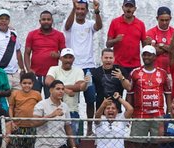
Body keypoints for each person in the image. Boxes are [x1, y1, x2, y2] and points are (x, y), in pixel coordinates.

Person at [127, 45, 171, 148]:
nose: (146, 57)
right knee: (136, 143)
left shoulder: (162, 73)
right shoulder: (135, 73)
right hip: (139, 115)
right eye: (144, 54)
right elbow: (130, 93)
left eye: (149, 54)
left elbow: (167, 93)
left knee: (156, 144)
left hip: (158, 114)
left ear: (155, 57)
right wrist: (128, 114)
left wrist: (169, 113)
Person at [64, 0, 102, 134]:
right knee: (71, 99)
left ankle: (90, 129)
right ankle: (70, 129)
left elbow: (99, 26)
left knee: (90, 99)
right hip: (73, 68)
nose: (80, 11)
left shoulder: (90, 24)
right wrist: (73, 8)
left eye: (82, 9)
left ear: (86, 11)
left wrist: (96, 10)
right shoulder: (69, 23)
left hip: (88, 68)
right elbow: (67, 26)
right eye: (78, 9)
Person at [32, 80, 78, 148]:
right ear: (51, 90)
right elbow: (34, 123)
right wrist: (51, 115)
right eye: (58, 89)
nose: (61, 91)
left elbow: (68, 127)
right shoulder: (41, 105)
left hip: (61, 146)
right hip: (44, 146)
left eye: (62, 89)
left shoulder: (65, 106)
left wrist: (73, 147)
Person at [45, 48, 86, 135]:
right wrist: (66, 90)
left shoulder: (78, 70)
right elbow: (48, 81)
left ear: (73, 59)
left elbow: (80, 86)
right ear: (60, 59)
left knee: (73, 141)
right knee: (55, 139)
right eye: (65, 57)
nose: (68, 60)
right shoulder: (54, 69)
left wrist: (59, 87)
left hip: (72, 111)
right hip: (55, 110)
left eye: (70, 57)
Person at [8, 72, 42, 148]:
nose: (27, 85)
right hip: (18, 126)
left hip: (32, 127)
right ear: (20, 83)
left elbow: (41, 108)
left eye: (29, 83)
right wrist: (12, 121)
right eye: (24, 83)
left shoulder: (37, 94)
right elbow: (11, 107)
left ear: (33, 84)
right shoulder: (15, 94)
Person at [24, 11, 66, 98]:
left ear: (52, 21)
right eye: (43, 19)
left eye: (48, 19)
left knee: (51, 101)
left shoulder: (59, 35)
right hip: (35, 74)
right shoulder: (32, 34)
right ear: (40, 21)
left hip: (52, 75)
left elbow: (65, 55)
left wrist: (58, 55)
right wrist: (29, 69)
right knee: (33, 100)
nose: (46, 21)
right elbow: (27, 53)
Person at [0, 9, 24, 90]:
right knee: (3, 100)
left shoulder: (13, 33)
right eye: (1, 18)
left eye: (6, 19)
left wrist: (22, 69)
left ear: (9, 21)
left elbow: (18, 51)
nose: (4, 21)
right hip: (1, 73)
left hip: (15, 74)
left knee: (18, 101)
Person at [106, 0, 147, 75]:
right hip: (118, 65)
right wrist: (116, 40)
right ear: (122, 8)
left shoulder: (141, 24)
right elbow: (108, 44)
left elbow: (145, 46)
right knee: (118, 87)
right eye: (126, 6)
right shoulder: (115, 22)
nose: (128, 9)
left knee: (134, 87)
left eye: (131, 7)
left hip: (135, 65)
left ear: (135, 8)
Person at [90, 48, 131, 121]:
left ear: (114, 58)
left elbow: (128, 88)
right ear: (101, 58)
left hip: (117, 111)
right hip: (101, 112)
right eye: (106, 58)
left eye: (110, 58)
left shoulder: (120, 70)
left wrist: (122, 78)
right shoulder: (95, 72)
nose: (108, 60)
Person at [146, 6, 174, 74]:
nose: (164, 22)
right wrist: (170, 47)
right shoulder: (150, 32)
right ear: (157, 18)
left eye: (167, 20)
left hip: (171, 71)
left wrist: (160, 45)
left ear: (170, 19)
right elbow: (151, 52)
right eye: (162, 20)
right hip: (155, 71)